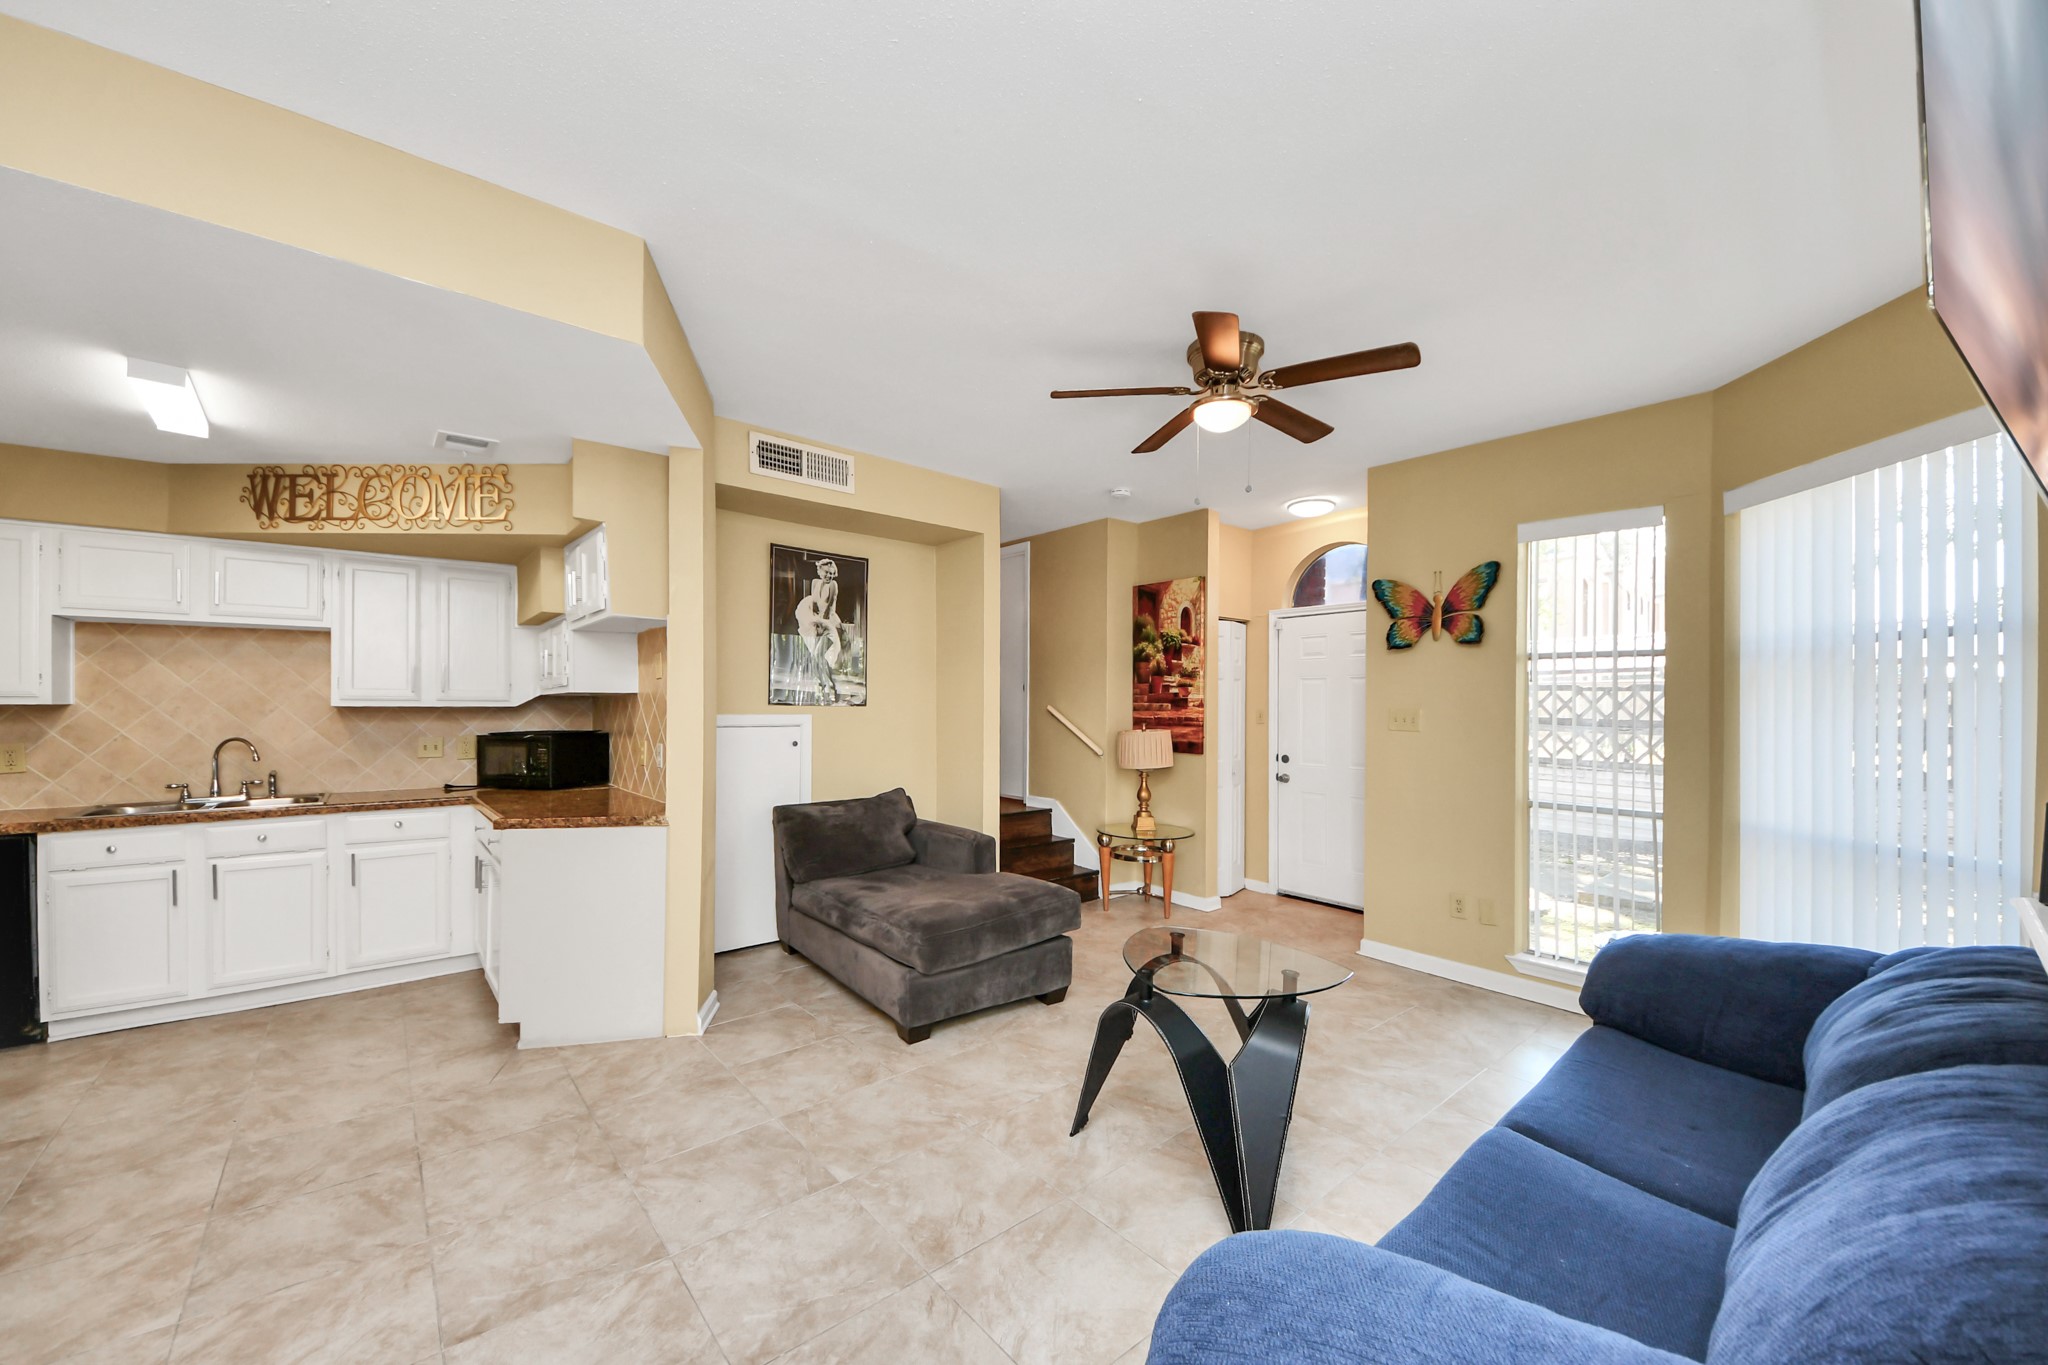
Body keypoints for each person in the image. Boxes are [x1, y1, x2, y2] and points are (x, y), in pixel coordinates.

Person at [793, 558, 843, 704]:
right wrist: (814, 624)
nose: (829, 576)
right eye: (826, 572)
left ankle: (830, 687)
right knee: (817, 659)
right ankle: (827, 686)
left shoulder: (833, 585)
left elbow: (829, 609)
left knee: (818, 656)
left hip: (829, 625)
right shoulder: (815, 583)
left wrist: (821, 627)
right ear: (820, 571)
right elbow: (814, 606)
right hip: (818, 624)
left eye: (832, 573)